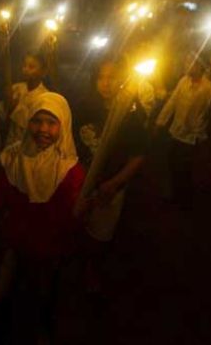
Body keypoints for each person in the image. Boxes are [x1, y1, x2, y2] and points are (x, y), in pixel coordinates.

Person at [0, 92, 84, 344]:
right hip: (15, 238)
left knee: (42, 293)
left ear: (64, 125)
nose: (43, 129)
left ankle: (40, 328)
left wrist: (83, 210)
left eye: (51, 122)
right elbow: (3, 191)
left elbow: (72, 210)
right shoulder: (15, 157)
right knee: (6, 290)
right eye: (37, 121)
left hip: (49, 245)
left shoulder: (69, 169)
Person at [77, 59, 148, 291]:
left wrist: (115, 183)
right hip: (82, 179)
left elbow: (137, 156)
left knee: (100, 233)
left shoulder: (131, 112)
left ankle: (92, 270)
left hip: (110, 185)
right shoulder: (87, 105)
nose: (106, 83)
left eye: (112, 77)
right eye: (101, 77)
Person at [155, 54, 211, 209]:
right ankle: (175, 193)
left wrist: (199, 128)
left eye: (192, 63)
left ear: (201, 67)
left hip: (192, 136)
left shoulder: (209, 88)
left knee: (185, 167)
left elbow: (210, 113)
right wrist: (160, 122)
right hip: (176, 131)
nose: (188, 65)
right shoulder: (183, 81)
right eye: (188, 62)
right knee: (172, 163)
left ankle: (183, 197)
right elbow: (172, 101)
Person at [0, 51, 50, 148]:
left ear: (43, 72)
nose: (26, 69)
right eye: (24, 66)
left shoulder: (44, 96)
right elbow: (5, 115)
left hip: (29, 147)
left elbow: (32, 124)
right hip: (9, 144)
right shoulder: (17, 88)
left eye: (31, 67)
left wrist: (15, 108)